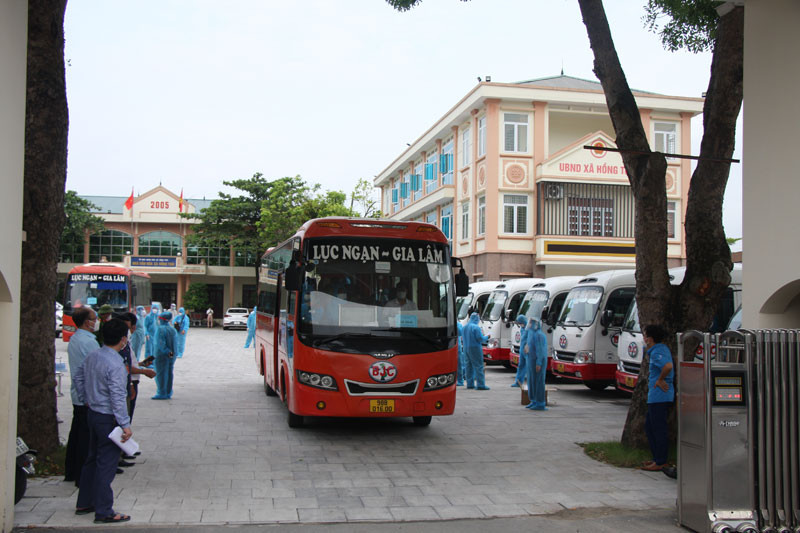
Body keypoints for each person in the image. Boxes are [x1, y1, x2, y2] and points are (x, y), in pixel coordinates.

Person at [73, 318, 133, 523]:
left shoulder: (93, 356)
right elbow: (117, 396)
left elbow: (77, 378)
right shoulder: (116, 363)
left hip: (93, 414)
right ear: (123, 339)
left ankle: (85, 501)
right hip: (108, 418)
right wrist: (125, 424)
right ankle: (104, 510)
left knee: (91, 460)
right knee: (106, 464)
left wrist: (86, 399)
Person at [64, 307, 100, 486]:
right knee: (85, 439)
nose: (96, 321)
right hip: (87, 395)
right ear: (87, 322)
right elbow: (95, 369)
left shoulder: (76, 339)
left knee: (76, 434)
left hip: (78, 394)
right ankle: (81, 475)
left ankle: (71, 471)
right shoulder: (89, 342)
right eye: (95, 318)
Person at [641, 324, 674, 472]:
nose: (644, 338)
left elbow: (667, 366)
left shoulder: (657, 352)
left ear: (650, 339)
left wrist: (660, 380)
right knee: (649, 427)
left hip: (660, 396)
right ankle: (656, 458)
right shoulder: (657, 350)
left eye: (645, 336)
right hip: (655, 396)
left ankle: (661, 460)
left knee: (658, 429)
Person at [152, 311, 177, 400]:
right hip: (171, 355)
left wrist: (166, 352)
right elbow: (175, 345)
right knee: (169, 372)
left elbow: (160, 344)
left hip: (161, 355)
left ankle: (162, 392)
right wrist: (171, 355)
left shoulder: (160, 329)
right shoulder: (172, 329)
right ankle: (168, 391)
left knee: (161, 373)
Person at [524, 318, 548, 410]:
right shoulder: (531, 333)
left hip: (537, 361)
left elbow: (540, 350)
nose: (529, 324)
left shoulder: (539, 335)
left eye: (531, 322)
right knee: (532, 381)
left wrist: (538, 363)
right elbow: (529, 346)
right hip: (531, 360)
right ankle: (533, 400)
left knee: (538, 381)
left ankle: (540, 403)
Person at [463, 312, 490, 390]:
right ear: (477, 318)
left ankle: (470, 384)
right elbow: (480, 339)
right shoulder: (476, 327)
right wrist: (487, 337)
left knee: (468, 366)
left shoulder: (464, 327)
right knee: (478, 366)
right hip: (475, 348)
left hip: (466, 348)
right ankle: (480, 385)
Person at [511, 315, 529, 388]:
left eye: (520, 323)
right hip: (522, 350)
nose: (519, 324)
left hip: (528, 350)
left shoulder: (529, 329)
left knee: (530, 367)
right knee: (521, 366)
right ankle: (518, 382)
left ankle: (532, 383)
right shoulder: (522, 328)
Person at [456, 321, 467, 386]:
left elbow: (460, 332)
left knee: (459, 364)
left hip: (457, 347)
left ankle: (460, 380)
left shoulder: (458, 324)